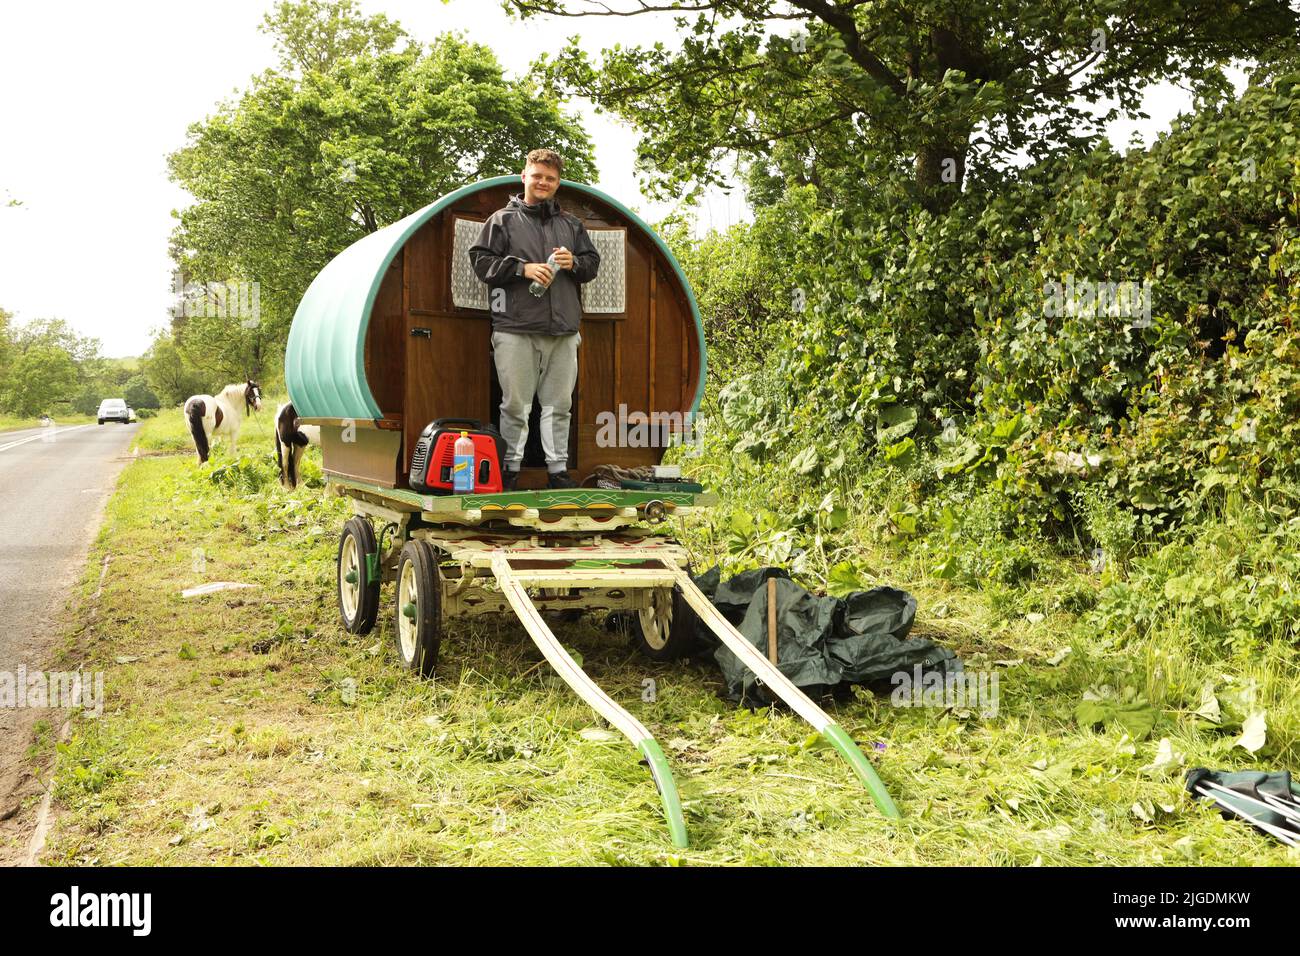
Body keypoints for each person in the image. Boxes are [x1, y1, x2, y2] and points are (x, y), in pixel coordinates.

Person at [468, 148, 600, 490]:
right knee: (515, 404)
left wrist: (575, 263)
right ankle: (509, 471)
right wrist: (521, 268)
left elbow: (592, 264)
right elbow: (481, 262)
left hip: (564, 331)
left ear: (558, 184)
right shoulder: (502, 220)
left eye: (551, 178)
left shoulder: (571, 225)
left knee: (559, 405)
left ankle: (558, 472)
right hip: (515, 329)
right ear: (524, 176)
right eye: (537, 175)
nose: (543, 182)